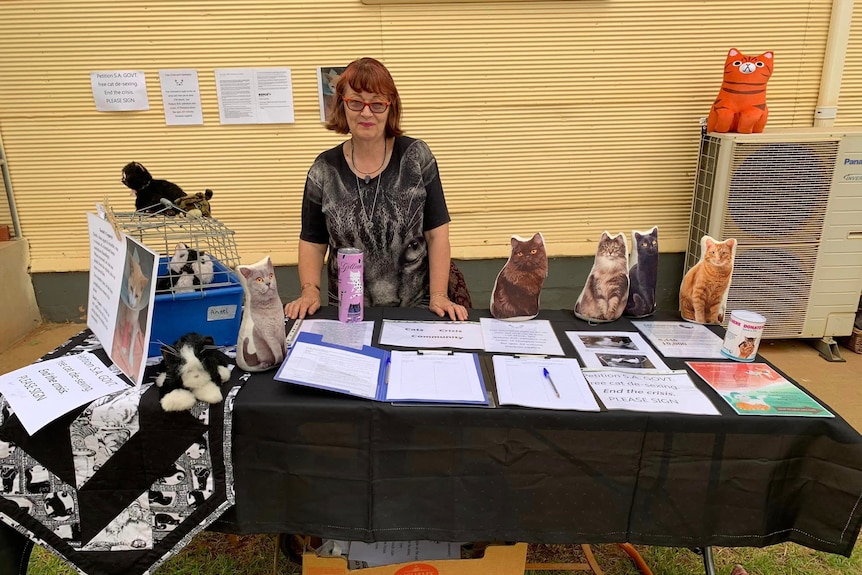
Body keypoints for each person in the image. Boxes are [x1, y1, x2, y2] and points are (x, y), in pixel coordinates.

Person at [284, 57, 467, 321]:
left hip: (415, 309)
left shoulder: (416, 158)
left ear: (390, 107)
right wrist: (309, 291)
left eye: (377, 103)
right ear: (342, 105)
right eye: (356, 102)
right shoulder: (323, 169)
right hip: (348, 313)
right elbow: (313, 242)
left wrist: (439, 295)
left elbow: (436, 234)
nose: (367, 113)